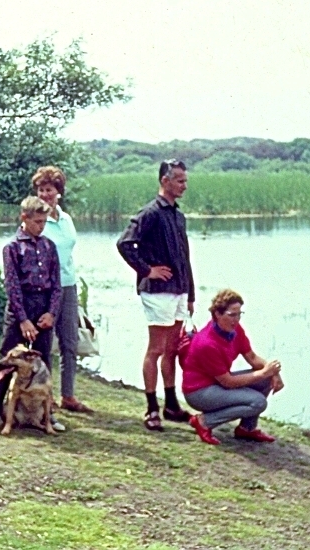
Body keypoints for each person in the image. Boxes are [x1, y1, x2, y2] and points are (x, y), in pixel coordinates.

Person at [116, 159, 195, 431]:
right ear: (165, 181)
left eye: (185, 180)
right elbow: (125, 243)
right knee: (157, 348)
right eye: (180, 180)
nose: (184, 185)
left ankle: (171, 404)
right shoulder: (150, 212)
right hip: (158, 291)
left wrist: (191, 293)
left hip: (178, 290)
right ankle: (151, 408)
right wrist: (147, 270)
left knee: (171, 349)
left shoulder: (177, 214)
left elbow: (185, 257)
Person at [0, 196, 64, 435]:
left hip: (44, 306)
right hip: (21, 307)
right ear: (24, 219)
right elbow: (12, 286)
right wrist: (23, 319)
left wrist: (51, 313)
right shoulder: (13, 247)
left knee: (44, 361)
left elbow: (57, 284)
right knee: (7, 360)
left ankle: (48, 413)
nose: (41, 226)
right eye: (37, 221)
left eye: (44, 222)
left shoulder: (49, 246)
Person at [181, 289, 282, 445]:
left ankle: (247, 429)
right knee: (258, 402)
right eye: (232, 315)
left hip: (217, 382)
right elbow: (227, 382)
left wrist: (273, 373)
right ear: (217, 314)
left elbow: (253, 358)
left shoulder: (235, 330)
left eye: (239, 314)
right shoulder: (207, 343)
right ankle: (204, 421)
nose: (237, 319)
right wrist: (263, 373)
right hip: (199, 392)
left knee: (265, 379)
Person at [32, 165, 92, 413]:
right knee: (43, 342)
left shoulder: (66, 219)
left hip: (67, 285)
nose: (45, 194)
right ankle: (46, 394)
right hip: (44, 288)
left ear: (59, 193)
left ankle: (69, 395)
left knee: (69, 342)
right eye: (41, 189)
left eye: (49, 190)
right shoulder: (34, 219)